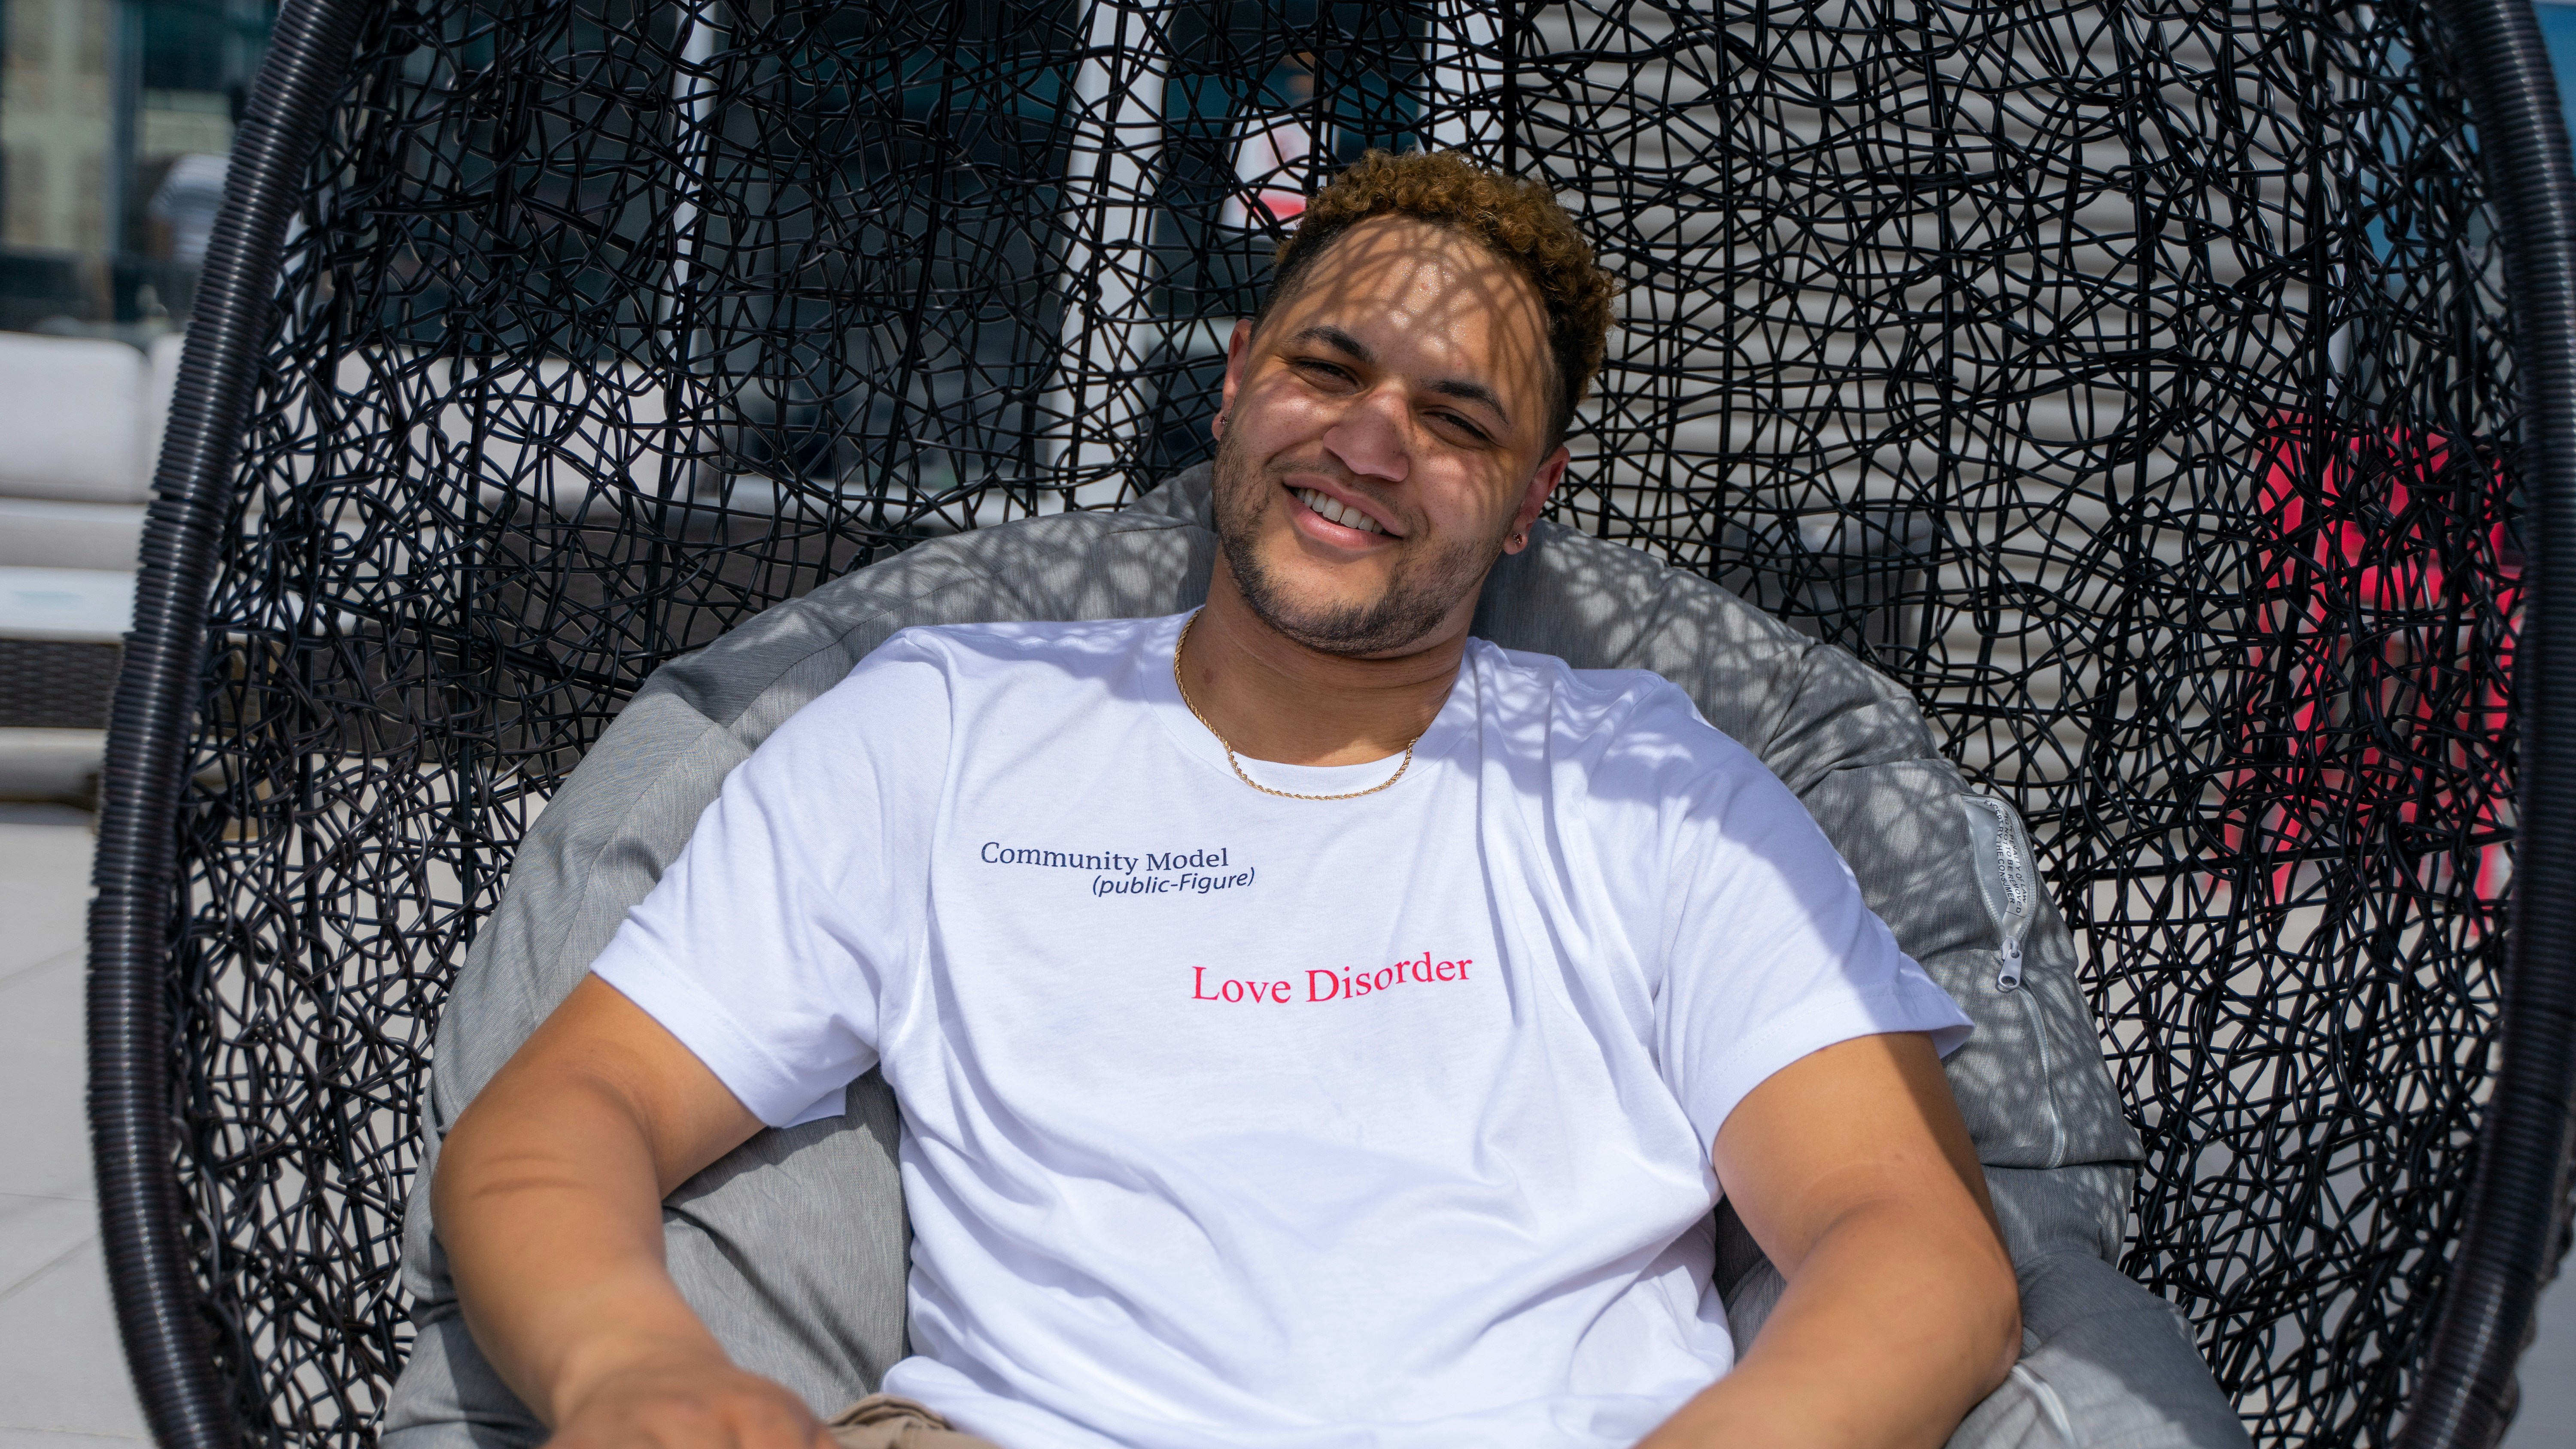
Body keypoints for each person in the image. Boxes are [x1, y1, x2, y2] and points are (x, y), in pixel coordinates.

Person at [431, 149, 2019, 1449]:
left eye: (1458, 420)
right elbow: (568, 1113)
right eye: (1329, 366)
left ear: (1532, 500)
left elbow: (1913, 1242)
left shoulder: (1660, 790)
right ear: (1238, 383)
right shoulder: (945, 724)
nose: (1371, 440)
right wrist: (633, 1367)